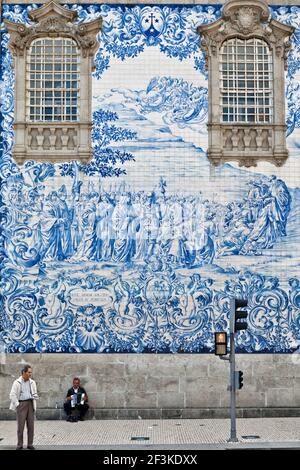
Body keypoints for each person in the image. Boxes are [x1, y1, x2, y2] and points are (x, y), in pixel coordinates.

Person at [9, 365, 39, 450]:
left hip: (30, 403)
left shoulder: (32, 382)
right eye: (29, 372)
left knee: (31, 426)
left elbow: (34, 392)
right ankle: (20, 445)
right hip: (21, 404)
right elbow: (12, 395)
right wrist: (17, 404)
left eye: (31, 372)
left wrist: (35, 396)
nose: (30, 374)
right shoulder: (17, 382)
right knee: (20, 427)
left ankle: (30, 444)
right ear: (24, 372)